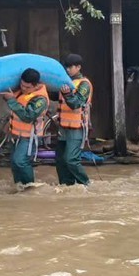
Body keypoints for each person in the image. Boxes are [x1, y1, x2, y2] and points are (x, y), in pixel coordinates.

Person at [0, 68, 50, 186]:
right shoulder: (20, 92)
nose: (23, 88)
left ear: (35, 86)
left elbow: (28, 116)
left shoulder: (40, 99)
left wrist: (11, 100)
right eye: (22, 85)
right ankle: (19, 187)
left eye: (27, 87)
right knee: (14, 163)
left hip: (29, 137)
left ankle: (30, 187)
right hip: (16, 135)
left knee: (21, 161)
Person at [56, 53, 91, 186]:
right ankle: (66, 186)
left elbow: (76, 103)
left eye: (70, 67)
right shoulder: (65, 82)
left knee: (71, 159)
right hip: (63, 126)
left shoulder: (84, 84)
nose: (68, 69)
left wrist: (67, 94)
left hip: (77, 127)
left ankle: (86, 184)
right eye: (67, 67)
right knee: (60, 160)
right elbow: (56, 96)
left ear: (78, 67)